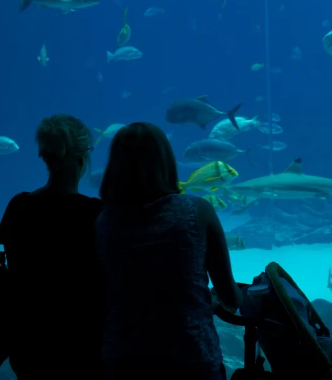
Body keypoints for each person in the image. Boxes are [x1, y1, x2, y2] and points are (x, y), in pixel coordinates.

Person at [96, 122, 242, 380]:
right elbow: (230, 297)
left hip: (123, 360)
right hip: (191, 358)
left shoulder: (103, 221)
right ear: (166, 161)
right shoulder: (198, 210)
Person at [0, 114, 105, 378]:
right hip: (84, 343)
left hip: (30, 341)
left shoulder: (19, 206)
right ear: (83, 156)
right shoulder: (95, 214)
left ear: (43, 156)